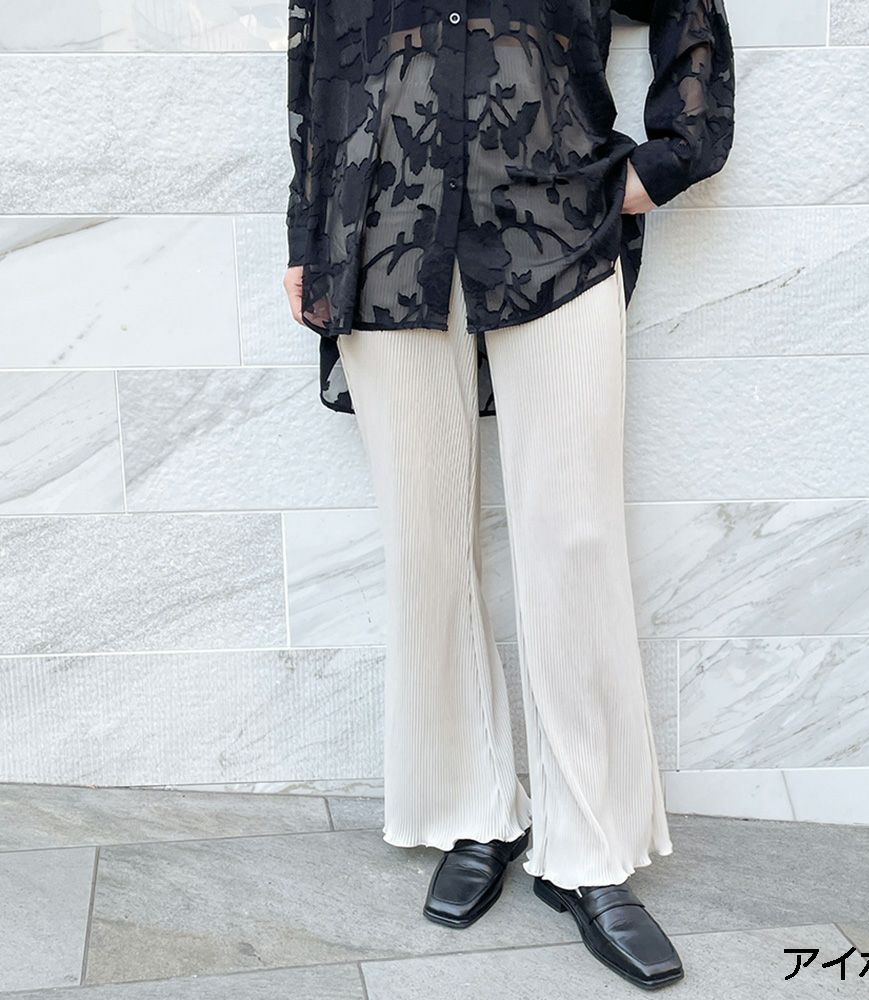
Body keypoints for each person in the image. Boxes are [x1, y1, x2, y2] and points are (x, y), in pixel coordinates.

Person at [283, 0, 735, 989]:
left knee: (574, 537)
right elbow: (315, 62)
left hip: (553, 217)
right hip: (383, 224)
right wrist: (306, 233)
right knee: (427, 544)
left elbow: (684, 8)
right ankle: (472, 809)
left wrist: (674, 154)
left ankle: (591, 851)